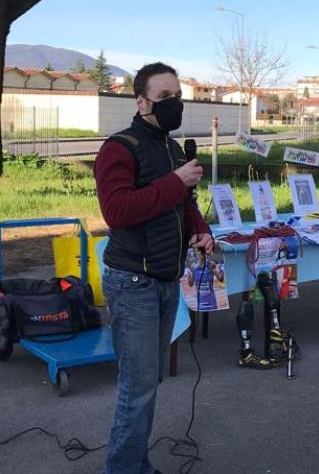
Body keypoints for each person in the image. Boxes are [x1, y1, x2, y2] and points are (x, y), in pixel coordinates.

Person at [93, 62, 213, 474]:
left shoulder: (173, 149)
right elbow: (117, 211)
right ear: (141, 102)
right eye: (164, 97)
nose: (173, 104)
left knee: (150, 380)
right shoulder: (119, 149)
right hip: (133, 283)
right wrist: (176, 182)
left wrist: (200, 230)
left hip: (166, 279)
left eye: (177, 96)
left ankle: (134, 462)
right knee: (138, 385)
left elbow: (185, 204)